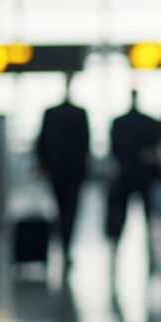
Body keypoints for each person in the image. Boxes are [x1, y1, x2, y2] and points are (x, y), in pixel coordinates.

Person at [37, 73, 90, 265]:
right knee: (71, 210)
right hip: (74, 171)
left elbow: (41, 141)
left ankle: (61, 243)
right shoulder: (80, 114)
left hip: (55, 169)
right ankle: (66, 245)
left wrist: (42, 164)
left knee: (59, 209)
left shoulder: (50, 114)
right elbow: (85, 143)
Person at [105, 90, 161, 249]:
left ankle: (115, 244)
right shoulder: (149, 123)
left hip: (125, 174)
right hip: (144, 175)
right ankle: (151, 246)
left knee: (120, 213)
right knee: (149, 214)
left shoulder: (119, 123)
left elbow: (114, 150)